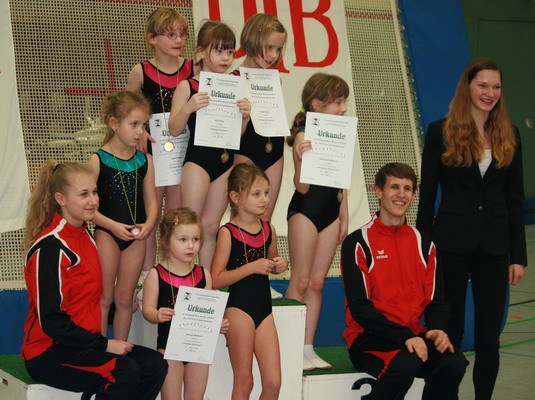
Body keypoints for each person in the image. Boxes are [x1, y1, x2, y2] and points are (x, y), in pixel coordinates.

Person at [416, 57, 526, 399]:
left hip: (494, 247)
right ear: (467, 87)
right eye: (482, 85)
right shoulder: (440, 131)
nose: (489, 93)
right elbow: (427, 195)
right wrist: (422, 248)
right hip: (450, 243)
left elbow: (515, 200)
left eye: (496, 87)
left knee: (489, 337)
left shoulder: (510, 134)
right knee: (451, 330)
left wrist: (518, 255)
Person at [21, 161, 167, 400]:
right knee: (124, 371)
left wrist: (126, 304)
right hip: (48, 353)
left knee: (155, 364)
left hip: (84, 345)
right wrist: (104, 345)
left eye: (95, 192)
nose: (93, 201)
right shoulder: (50, 248)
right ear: (61, 198)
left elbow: (85, 302)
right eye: (84, 194)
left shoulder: (86, 236)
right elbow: (52, 321)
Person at [341, 162, 466, 400]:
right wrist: (404, 336)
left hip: (413, 335)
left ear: (413, 195)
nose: (401, 194)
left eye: (407, 189)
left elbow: (437, 299)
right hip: (369, 338)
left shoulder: (424, 244)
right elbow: (360, 308)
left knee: (453, 363)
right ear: (379, 191)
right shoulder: (357, 243)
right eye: (394, 187)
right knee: (407, 362)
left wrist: (437, 328)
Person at [168, 20, 251, 269]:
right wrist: (188, 107)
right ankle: (180, 276)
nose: (225, 58)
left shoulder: (234, 87)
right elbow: (174, 129)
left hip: (225, 162)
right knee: (188, 225)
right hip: (198, 162)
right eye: (219, 51)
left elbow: (237, 134)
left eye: (230, 51)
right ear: (201, 51)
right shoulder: (188, 86)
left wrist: (245, 117)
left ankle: (205, 280)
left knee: (211, 226)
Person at [284, 73, 349, 370]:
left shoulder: (341, 133)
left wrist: (344, 215)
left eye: (344, 102)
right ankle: (290, 348)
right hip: (305, 212)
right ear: (317, 104)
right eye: (338, 103)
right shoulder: (303, 134)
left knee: (318, 282)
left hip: (331, 213)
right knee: (300, 280)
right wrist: (301, 158)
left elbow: (341, 179)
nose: (343, 109)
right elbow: (302, 187)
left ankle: (307, 347)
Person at [126, 7, 195, 274]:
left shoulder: (193, 69)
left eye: (182, 35)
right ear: (152, 38)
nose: (179, 40)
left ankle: (172, 271)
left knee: (175, 218)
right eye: (171, 35)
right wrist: (140, 128)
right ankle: (146, 274)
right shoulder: (141, 71)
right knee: (150, 216)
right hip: (152, 154)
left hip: (182, 152)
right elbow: (125, 110)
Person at [211, 163, 288, 400]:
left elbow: (272, 262)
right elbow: (216, 278)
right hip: (239, 309)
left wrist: (279, 265)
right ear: (236, 197)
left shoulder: (268, 229)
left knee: (273, 382)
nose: (264, 199)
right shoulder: (228, 232)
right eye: (256, 194)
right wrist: (251, 267)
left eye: (266, 193)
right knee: (244, 382)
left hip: (264, 309)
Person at [89, 91, 158, 340]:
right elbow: (87, 209)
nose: (140, 131)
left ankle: (119, 347)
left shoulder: (145, 161)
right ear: (114, 123)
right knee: (104, 297)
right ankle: (100, 349)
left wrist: (149, 224)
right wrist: (112, 226)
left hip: (136, 236)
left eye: (143, 125)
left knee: (125, 298)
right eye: (134, 124)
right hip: (107, 234)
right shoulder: (98, 159)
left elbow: (152, 201)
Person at [142, 208, 229, 400]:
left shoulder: (203, 275)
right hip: (169, 349)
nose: (190, 246)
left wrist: (216, 324)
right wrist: (156, 314)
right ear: (166, 242)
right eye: (183, 240)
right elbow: (147, 308)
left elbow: (207, 311)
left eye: (195, 239)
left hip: (198, 349)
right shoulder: (156, 274)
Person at [231, 13, 287, 300]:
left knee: (264, 217)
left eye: (278, 49)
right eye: (268, 48)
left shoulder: (275, 79)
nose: (273, 55)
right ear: (252, 41)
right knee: (244, 217)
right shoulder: (234, 78)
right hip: (245, 149)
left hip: (273, 150)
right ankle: (239, 279)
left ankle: (261, 279)